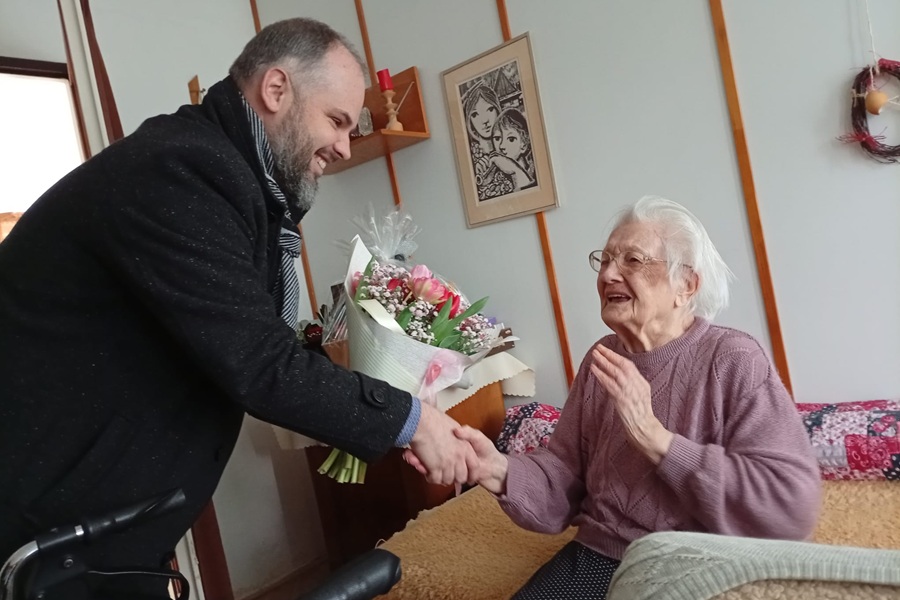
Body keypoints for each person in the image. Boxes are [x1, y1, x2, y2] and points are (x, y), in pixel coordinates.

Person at [0, 18, 472, 599]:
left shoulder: (233, 180)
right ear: (276, 90)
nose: (344, 147)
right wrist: (413, 421)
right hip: (38, 527)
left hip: (88, 534)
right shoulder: (181, 169)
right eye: (337, 121)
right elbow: (261, 363)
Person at [446, 196, 823, 599]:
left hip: (701, 563)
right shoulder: (602, 357)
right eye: (605, 260)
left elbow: (791, 507)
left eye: (633, 260)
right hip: (599, 554)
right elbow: (564, 476)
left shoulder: (734, 359)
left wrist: (655, 438)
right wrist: (497, 469)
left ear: (685, 285)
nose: (609, 274)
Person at [487, 107, 536, 192]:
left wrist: (516, 170)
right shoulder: (497, 177)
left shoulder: (535, 171)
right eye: (497, 138)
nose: (501, 146)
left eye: (511, 139)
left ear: (524, 145)